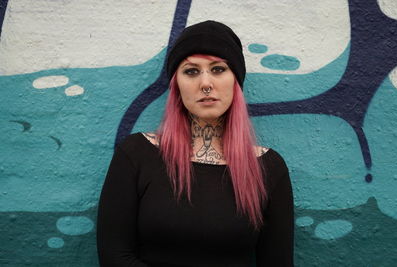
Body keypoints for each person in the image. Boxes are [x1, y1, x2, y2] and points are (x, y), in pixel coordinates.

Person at [97, 20, 294, 266]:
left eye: (218, 69)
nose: (206, 83)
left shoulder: (269, 167)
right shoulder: (136, 154)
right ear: (176, 85)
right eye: (191, 71)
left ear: (236, 81)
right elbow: (114, 257)